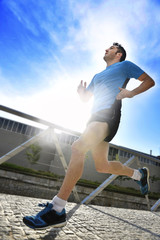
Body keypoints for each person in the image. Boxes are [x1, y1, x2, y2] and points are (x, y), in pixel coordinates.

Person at [23, 42, 155, 229]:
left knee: (78, 147)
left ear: (118, 54)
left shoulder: (125, 65)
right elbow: (87, 99)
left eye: (110, 48)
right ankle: (138, 174)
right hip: (93, 117)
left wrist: (131, 93)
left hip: (108, 115)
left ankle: (57, 208)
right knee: (102, 166)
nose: (106, 49)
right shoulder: (97, 75)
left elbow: (149, 81)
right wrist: (82, 94)